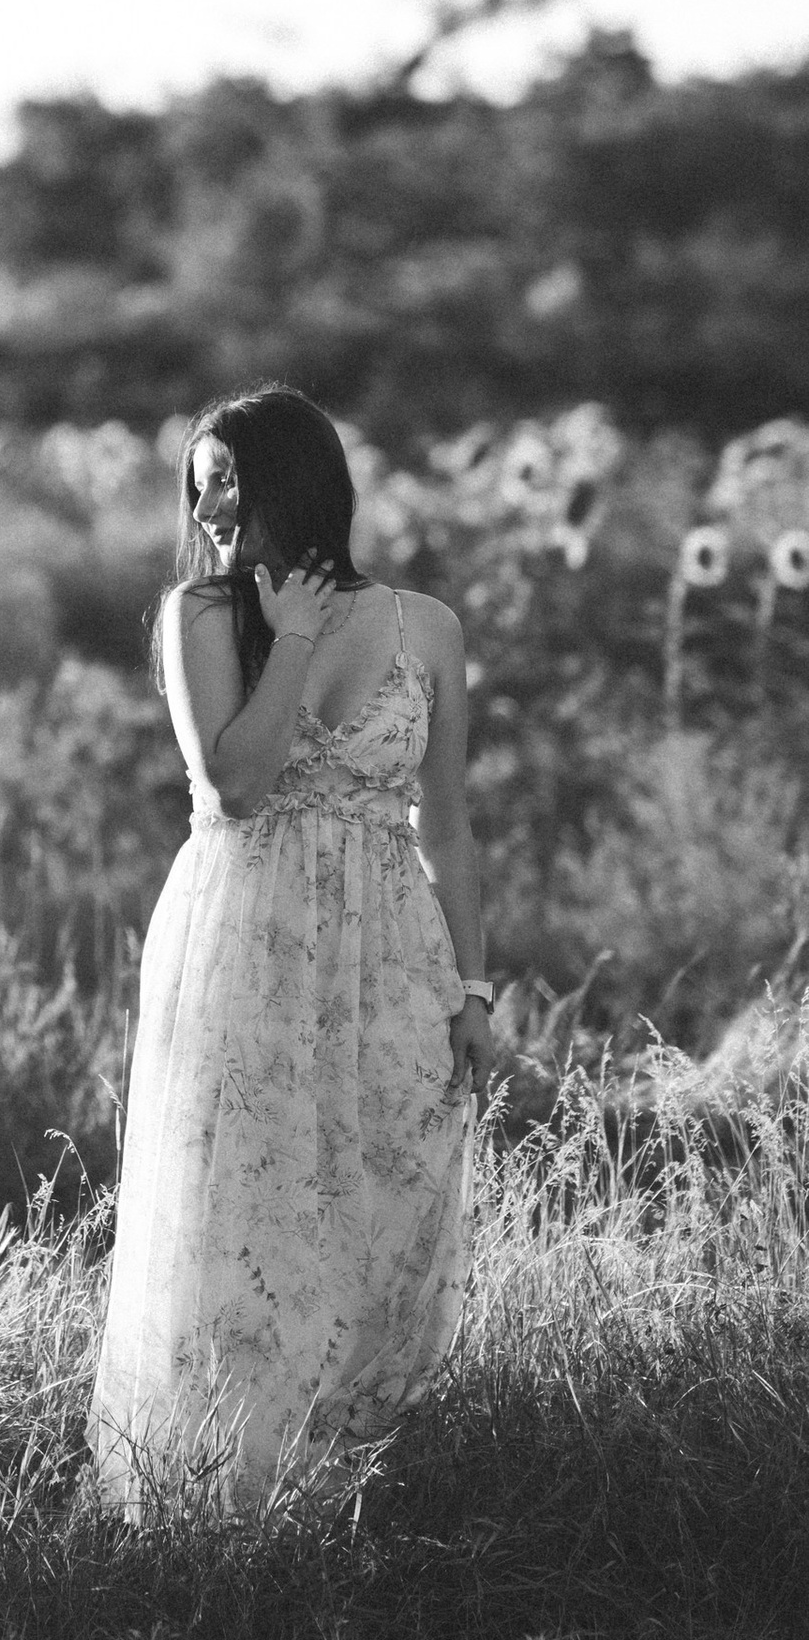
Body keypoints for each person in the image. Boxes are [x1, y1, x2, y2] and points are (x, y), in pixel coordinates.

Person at [85, 386, 495, 1513]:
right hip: (245, 941)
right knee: (249, 1209)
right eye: (197, 483)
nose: (209, 504)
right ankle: (224, 1499)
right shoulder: (201, 616)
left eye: (228, 477)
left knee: (383, 1200)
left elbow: (446, 823)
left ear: (297, 481)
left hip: (392, 954)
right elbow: (238, 783)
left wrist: (471, 986)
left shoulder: (427, 626)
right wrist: (296, 639)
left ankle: (363, 1482)